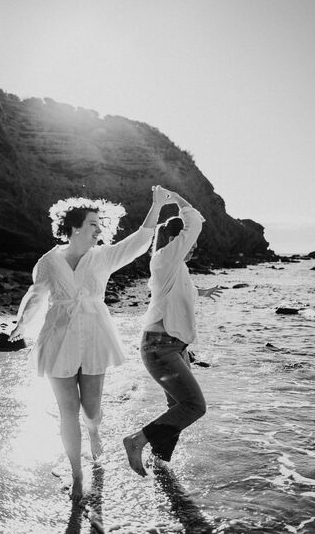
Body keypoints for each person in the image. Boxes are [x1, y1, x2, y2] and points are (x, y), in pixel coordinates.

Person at [9, 186, 171, 499]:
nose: (99, 229)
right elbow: (36, 296)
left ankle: (94, 430)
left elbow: (138, 241)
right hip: (58, 339)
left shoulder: (102, 257)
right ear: (74, 227)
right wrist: (22, 325)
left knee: (91, 409)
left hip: (95, 337)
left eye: (100, 224)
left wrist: (157, 205)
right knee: (68, 411)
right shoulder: (48, 262)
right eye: (93, 224)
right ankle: (76, 473)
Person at [123, 190, 222, 477]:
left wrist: (202, 291)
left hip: (173, 348)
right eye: (191, 244)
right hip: (160, 348)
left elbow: (177, 292)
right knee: (194, 406)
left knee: (177, 411)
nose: (194, 248)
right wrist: (177, 199)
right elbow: (194, 223)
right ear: (178, 240)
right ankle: (136, 441)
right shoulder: (165, 258)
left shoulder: (174, 267)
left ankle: (160, 466)